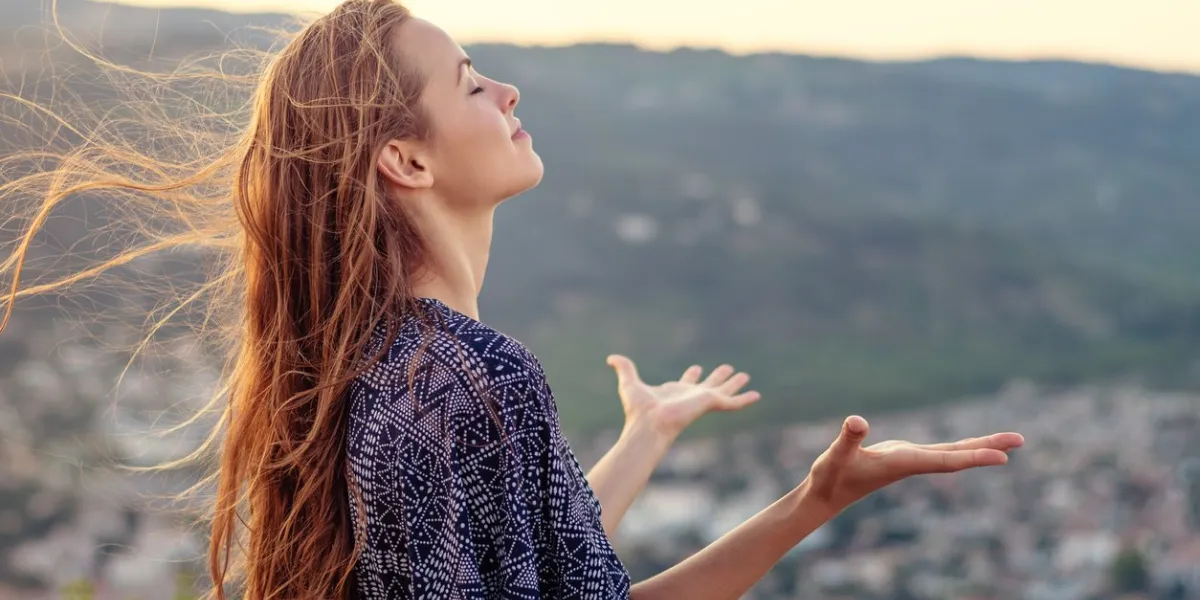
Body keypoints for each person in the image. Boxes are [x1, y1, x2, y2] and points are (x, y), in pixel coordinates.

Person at [0, 0, 1024, 598]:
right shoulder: (470, 378)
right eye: (471, 82)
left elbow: (540, 572)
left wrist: (648, 443)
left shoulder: (390, 369)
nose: (508, 93)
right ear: (405, 156)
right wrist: (819, 503)